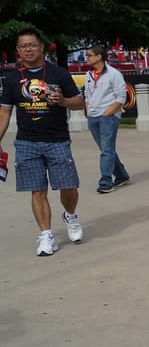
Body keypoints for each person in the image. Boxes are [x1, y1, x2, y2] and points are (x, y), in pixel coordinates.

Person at [0, 29, 87, 256]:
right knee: (37, 191)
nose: (28, 50)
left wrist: (64, 101)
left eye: (32, 45)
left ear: (42, 47)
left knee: (68, 186)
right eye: (23, 46)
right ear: (18, 51)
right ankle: (46, 236)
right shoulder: (11, 79)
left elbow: (79, 103)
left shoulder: (59, 74)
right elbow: (4, 112)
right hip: (26, 142)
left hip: (57, 140)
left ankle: (70, 215)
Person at [82, 44, 132, 194]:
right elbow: (87, 94)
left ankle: (106, 181)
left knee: (106, 149)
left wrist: (108, 112)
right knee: (106, 148)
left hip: (107, 117)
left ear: (99, 57)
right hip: (93, 115)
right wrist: (88, 110)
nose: (87, 58)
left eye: (90, 55)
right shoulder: (88, 75)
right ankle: (122, 175)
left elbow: (121, 97)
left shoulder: (114, 74)